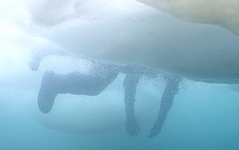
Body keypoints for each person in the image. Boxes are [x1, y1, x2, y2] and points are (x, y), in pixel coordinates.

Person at [32, 53, 181, 137]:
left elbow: (169, 92)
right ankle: (53, 79)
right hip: (117, 53)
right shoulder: (160, 60)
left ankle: (55, 82)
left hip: (121, 60)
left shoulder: (175, 71)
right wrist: (130, 116)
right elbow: (130, 84)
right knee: (94, 86)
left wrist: (161, 120)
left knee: (94, 87)